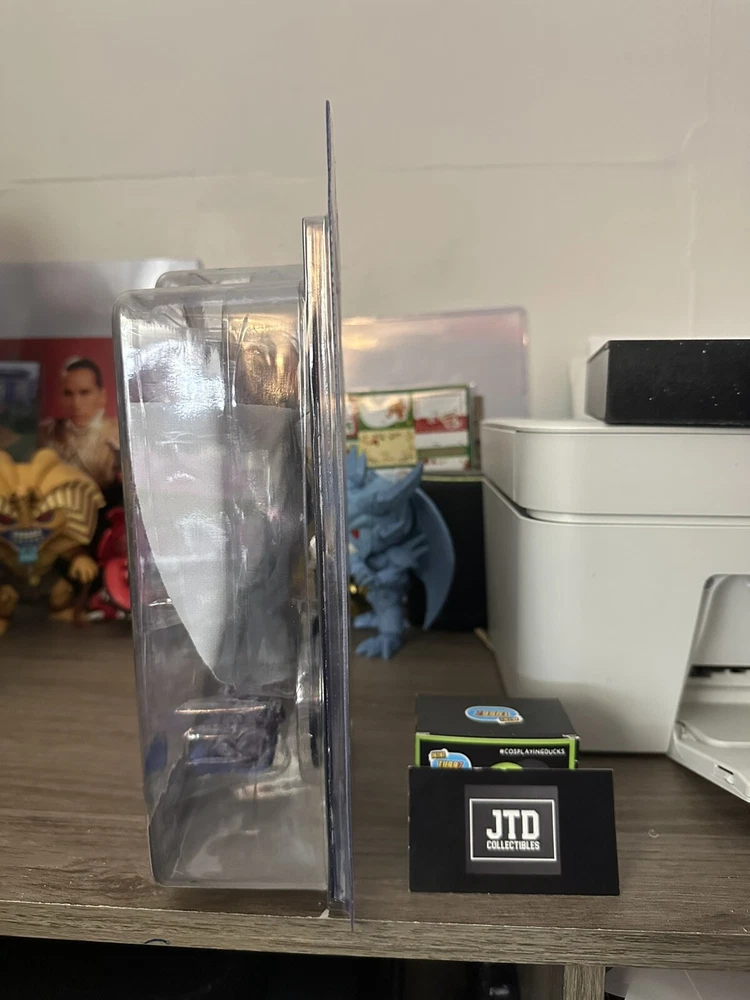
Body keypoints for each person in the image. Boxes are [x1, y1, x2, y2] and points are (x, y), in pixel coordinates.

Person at [40, 358, 120, 489]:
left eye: (85, 393)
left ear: (102, 396)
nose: (76, 403)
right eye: (68, 394)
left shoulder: (119, 434)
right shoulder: (46, 432)